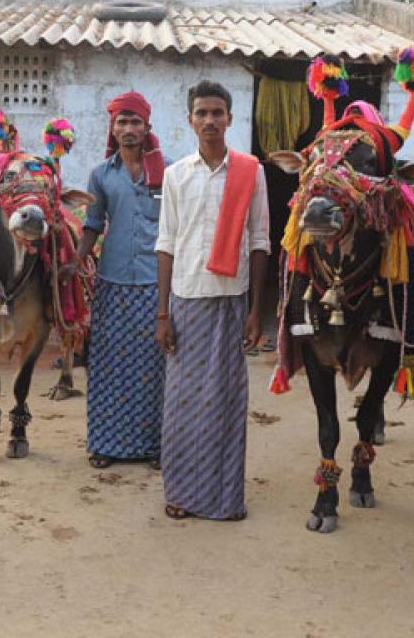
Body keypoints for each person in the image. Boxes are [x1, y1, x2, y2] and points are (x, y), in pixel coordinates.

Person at [155, 80, 268, 521]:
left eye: (217, 112)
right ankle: (181, 493)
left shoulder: (250, 172)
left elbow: (260, 241)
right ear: (190, 119)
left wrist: (256, 310)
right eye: (201, 113)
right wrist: (163, 312)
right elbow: (166, 243)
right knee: (182, 401)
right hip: (185, 300)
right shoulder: (176, 174)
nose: (209, 120)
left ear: (230, 118)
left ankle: (223, 499)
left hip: (230, 301)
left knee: (225, 403)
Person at [73, 91, 169, 470]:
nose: (128, 129)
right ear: (112, 129)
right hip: (112, 283)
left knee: (154, 367)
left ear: (147, 128)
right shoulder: (101, 175)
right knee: (108, 365)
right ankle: (105, 444)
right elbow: (93, 225)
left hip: (154, 285)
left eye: (135, 122)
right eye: (122, 122)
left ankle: (155, 446)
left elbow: (174, 229)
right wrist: (76, 261)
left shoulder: (168, 171)